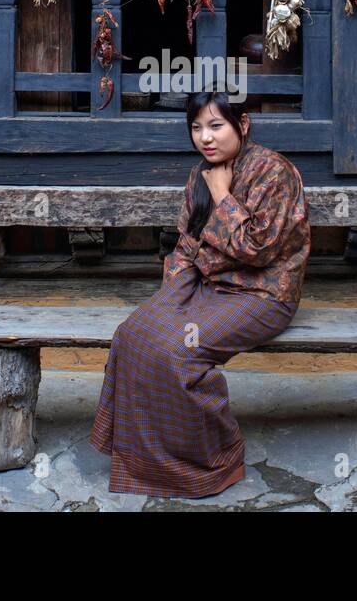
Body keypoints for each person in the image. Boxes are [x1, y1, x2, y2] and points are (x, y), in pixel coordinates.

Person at [89, 90, 311, 498]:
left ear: (242, 125)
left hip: (260, 294)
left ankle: (212, 462)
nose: (205, 138)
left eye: (216, 126)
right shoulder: (199, 175)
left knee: (179, 351)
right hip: (203, 285)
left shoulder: (273, 172)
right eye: (196, 128)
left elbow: (259, 251)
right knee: (134, 334)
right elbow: (185, 244)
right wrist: (170, 295)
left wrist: (224, 195)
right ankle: (141, 460)